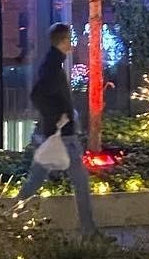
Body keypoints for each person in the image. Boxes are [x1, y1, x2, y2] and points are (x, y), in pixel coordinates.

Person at [18, 23, 96, 237]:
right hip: (62, 135)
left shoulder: (53, 63)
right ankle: (89, 231)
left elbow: (42, 95)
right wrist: (58, 116)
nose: (72, 42)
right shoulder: (52, 65)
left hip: (55, 134)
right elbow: (38, 95)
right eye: (70, 39)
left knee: (35, 180)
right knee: (80, 182)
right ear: (63, 41)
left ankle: (7, 220)